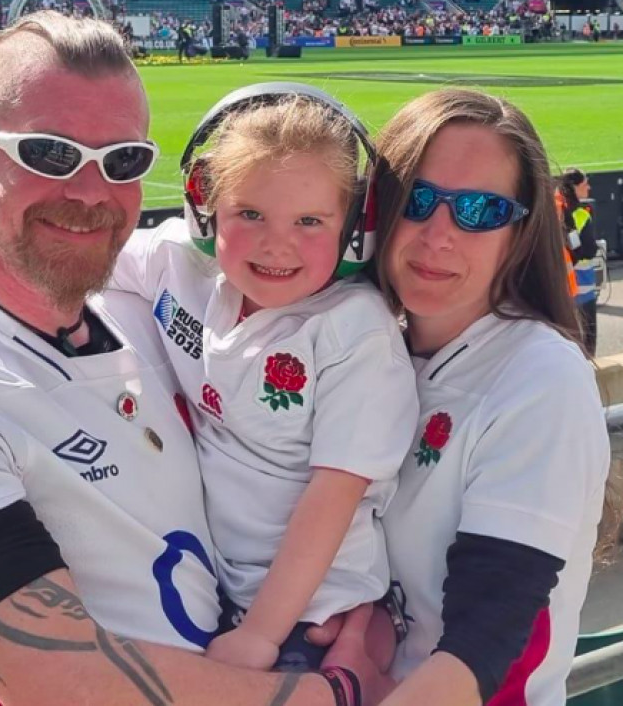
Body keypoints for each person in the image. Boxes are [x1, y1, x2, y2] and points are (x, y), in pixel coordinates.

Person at [0, 13, 385, 706]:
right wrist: (331, 692)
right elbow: (62, 680)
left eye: (122, 161)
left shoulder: (136, 311)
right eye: (49, 154)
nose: (91, 193)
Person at [109, 85, 417, 672]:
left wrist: (261, 633)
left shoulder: (356, 333)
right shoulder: (182, 263)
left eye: (310, 221)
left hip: (308, 618)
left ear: (355, 226)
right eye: (249, 213)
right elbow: (88, 267)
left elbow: (332, 499)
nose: (278, 243)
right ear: (205, 208)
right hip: (215, 591)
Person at [366, 88, 615, 706]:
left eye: (478, 210)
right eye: (417, 200)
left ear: (520, 232)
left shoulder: (539, 379)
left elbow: (484, 654)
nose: (438, 234)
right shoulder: (367, 355)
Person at [556, 167, 599, 356]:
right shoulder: (580, 215)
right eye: (585, 184)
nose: (588, 188)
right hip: (582, 287)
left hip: (558, 291)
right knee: (587, 346)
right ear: (575, 187)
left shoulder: (552, 209)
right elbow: (588, 251)